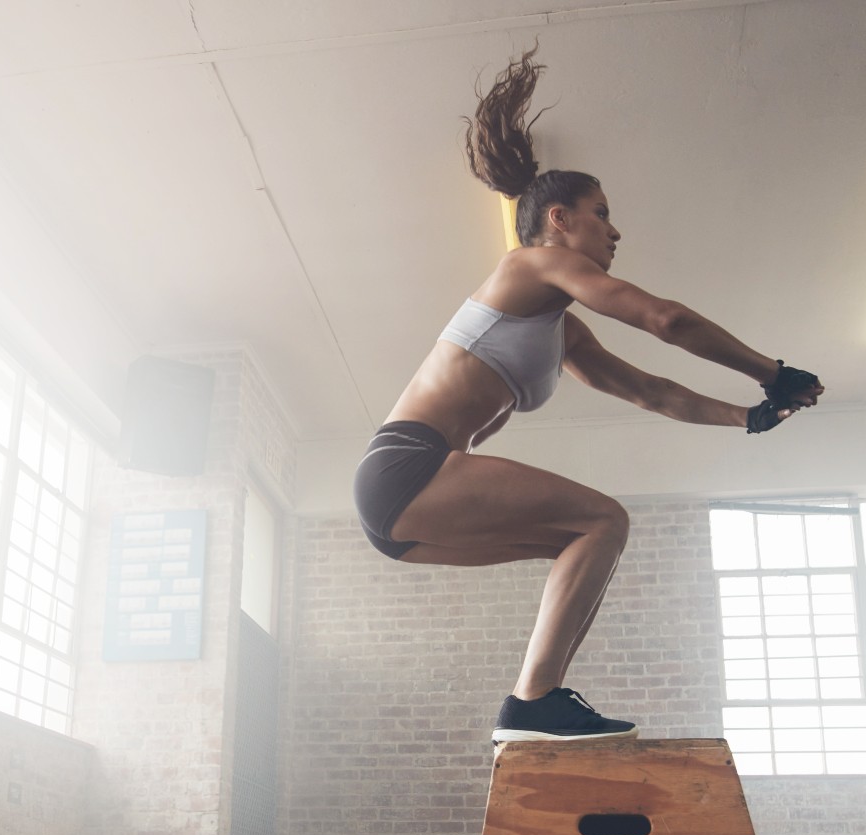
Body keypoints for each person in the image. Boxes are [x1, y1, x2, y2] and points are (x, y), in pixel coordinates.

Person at [352, 48, 823, 744]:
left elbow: (648, 390)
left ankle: (538, 704)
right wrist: (769, 371)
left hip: (401, 518)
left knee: (591, 536)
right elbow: (666, 320)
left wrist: (748, 417)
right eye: (603, 214)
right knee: (602, 518)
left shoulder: (557, 328)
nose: (615, 230)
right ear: (560, 220)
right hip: (408, 466)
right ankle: (531, 700)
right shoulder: (530, 266)